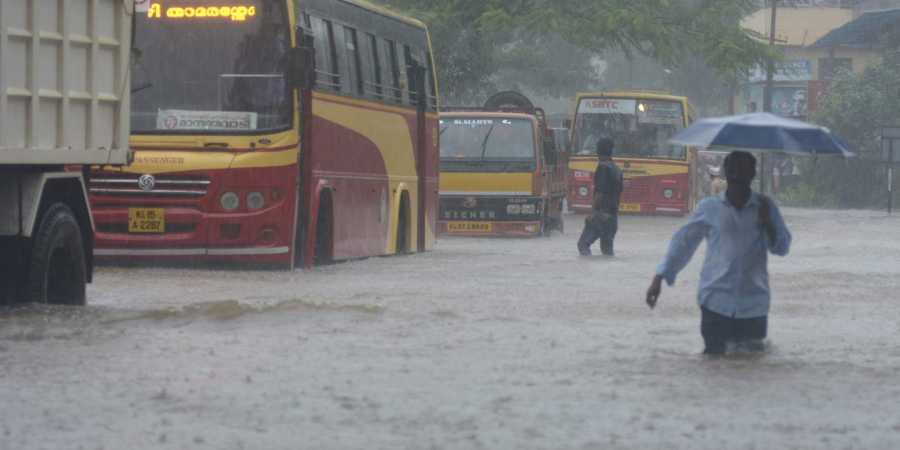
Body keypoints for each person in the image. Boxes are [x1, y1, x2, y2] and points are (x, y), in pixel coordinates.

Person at [645, 151, 792, 355]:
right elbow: (684, 242)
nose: (738, 176)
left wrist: (768, 223)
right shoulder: (710, 208)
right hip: (715, 302)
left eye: (743, 171)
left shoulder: (765, 207)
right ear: (726, 174)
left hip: (754, 305)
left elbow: (782, 248)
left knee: (751, 369)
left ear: (752, 175)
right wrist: (660, 276)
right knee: (713, 366)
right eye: (734, 171)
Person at [577, 137, 624, 256]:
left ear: (598, 150)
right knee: (607, 252)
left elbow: (600, 193)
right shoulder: (616, 169)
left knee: (583, 245)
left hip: (601, 216)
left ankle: (587, 273)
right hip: (612, 218)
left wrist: (592, 213)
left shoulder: (603, 167)